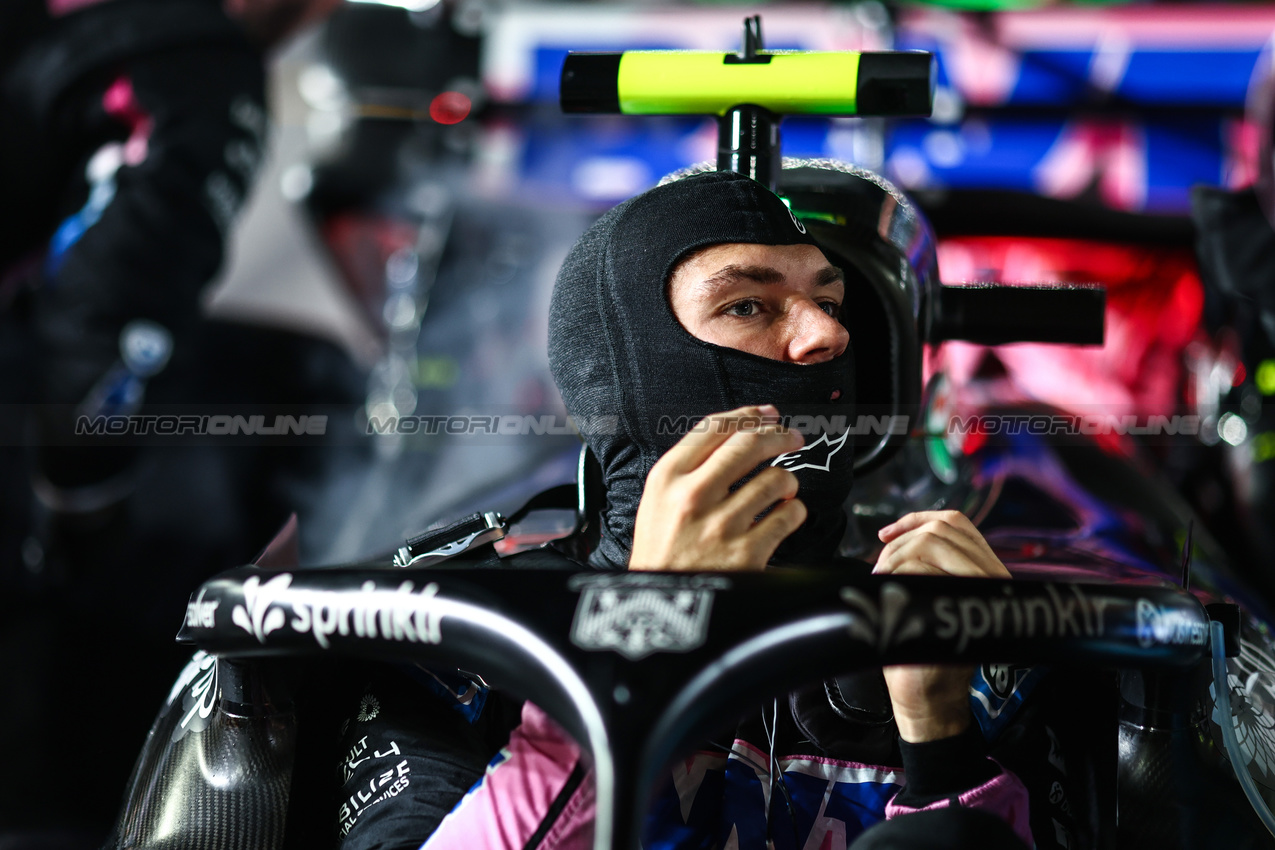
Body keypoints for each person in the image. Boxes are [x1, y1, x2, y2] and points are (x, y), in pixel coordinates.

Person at [336, 170, 1056, 850]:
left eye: (830, 304)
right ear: (634, 370)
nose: (827, 336)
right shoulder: (460, 639)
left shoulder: (951, 632)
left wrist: (940, 741)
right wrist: (637, 647)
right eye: (747, 305)